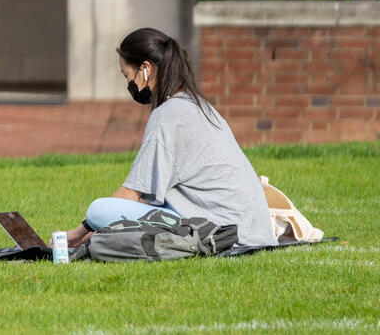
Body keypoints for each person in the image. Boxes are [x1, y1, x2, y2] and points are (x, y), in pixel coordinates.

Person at [65, 27, 275, 248]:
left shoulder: (166, 116)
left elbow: (130, 194)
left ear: (145, 68)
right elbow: (149, 195)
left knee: (99, 209)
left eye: (127, 76)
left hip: (223, 232)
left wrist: (77, 233)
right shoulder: (198, 106)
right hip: (250, 231)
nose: (129, 85)